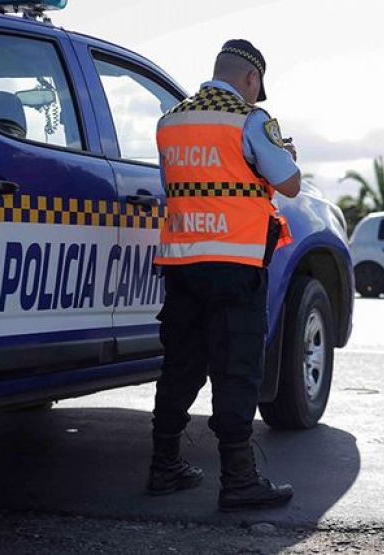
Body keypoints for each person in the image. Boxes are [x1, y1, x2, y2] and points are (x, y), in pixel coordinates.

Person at [149, 39, 301, 511]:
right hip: (235, 265)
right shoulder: (250, 120)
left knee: (181, 364)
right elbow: (290, 184)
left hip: (182, 263)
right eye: (257, 88)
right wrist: (285, 152)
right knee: (236, 369)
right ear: (250, 79)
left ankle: (163, 466)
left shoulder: (169, 121)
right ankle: (239, 480)